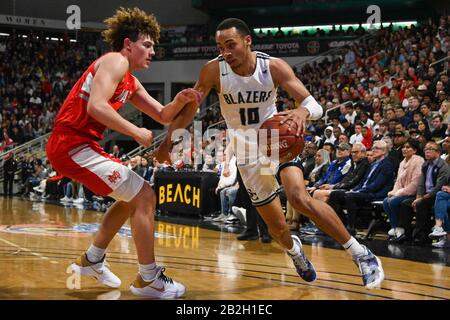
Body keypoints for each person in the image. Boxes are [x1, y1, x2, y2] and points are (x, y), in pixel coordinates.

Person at [155, 18, 384, 289]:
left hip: (276, 142)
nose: (226, 52)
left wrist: (301, 111)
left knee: (299, 198)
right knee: (277, 229)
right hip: (247, 155)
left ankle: (361, 254)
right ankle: (294, 251)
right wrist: (168, 140)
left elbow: (314, 105)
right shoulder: (213, 71)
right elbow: (191, 108)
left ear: (247, 41)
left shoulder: (272, 66)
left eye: (231, 45)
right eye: (220, 47)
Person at [46, 7, 202, 299]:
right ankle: (149, 279)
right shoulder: (115, 61)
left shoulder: (130, 80)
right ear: (128, 45)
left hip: (80, 145)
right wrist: (134, 131)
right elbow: (96, 106)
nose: (153, 51)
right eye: (147, 44)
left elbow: (163, 115)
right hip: (70, 143)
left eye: (154, 45)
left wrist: (181, 99)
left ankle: (92, 260)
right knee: (144, 195)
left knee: (132, 199)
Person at [382, 139, 424, 241]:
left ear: (414, 150)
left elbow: (415, 183)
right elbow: (398, 182)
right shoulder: (402, 162)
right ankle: (395, 227)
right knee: (386, 201)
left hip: (413, 193)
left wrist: (399, 193)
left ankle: (400, 228)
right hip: (402, 192)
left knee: (392, 202)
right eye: (404, 147)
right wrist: (394, 192)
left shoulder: (419, 161)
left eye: (408, 147)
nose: (404, 149)